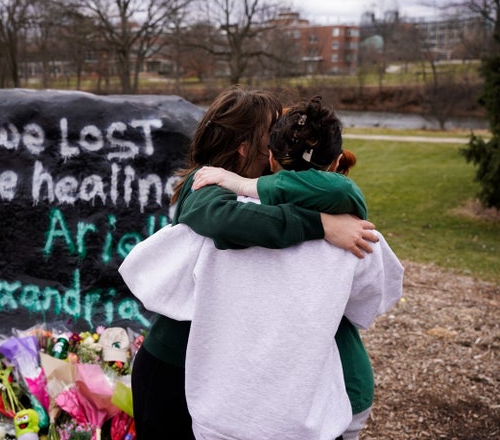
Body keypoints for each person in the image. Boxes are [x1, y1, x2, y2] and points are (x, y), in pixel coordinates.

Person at [121, 95, 404, 439]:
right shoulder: (208, 188)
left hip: (224, 380)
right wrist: (320, 224)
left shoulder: (280, 198)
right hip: (175, 364)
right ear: (246, 148)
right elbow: (228, 220)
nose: (283, 141)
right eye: (273, 132)